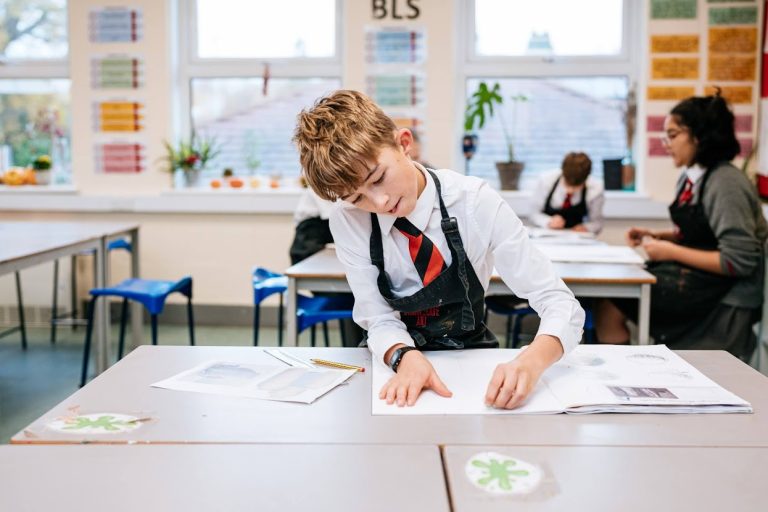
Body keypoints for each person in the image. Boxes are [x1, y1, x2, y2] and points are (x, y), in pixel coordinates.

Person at [294, 90, 583, 409]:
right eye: (356, 198)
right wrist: (404, 356)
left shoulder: (475, 202)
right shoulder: (349, 220)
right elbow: (377, 317)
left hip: (472, 363)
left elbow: (558, 301)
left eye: (378, 179)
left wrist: (533, 361)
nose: (378, 203)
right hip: (393, 365)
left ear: (404, 143)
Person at [595, 91, 767, 360]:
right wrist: (657, 236)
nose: (666, 143)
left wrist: (670, 251)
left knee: (612, 304)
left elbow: (738, 260)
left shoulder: (726, 183)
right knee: (607, 303)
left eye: (673, 135)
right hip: (699, 282)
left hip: (724, 297)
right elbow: (702, 235)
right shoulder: (690, 177)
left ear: (699, 136)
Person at [529, 151, 604, 234]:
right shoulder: (546, 181)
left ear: (586, 179)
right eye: (568, 184)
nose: (570, 190)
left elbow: (597, 223)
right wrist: (548, 221)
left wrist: (587, 227)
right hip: (546, 235)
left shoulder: (595, 189)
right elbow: (533, 214)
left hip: (577, 239)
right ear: (563, 172)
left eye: (576, 186)